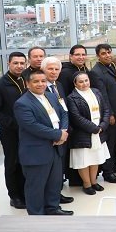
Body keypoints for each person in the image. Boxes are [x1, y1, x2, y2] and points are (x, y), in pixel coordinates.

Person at [14, 70, 71, 215]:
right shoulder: (22, 103)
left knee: (54, 182)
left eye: (43, 81)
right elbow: (32, 126)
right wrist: (58, 134)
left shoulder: (51, 96)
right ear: (27, 84)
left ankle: (52, 208)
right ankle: (36, 216)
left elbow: (63, 113)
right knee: (36, 186)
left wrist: (63, 132)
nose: (40, 84)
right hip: (37, 152)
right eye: (36, 81)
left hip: (55, 149)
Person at [0, 52, 29, 209]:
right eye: (16, 63)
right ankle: (14, 196)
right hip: (10, 132)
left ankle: (24, 191)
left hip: (27, 131)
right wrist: (12, 123)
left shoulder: (25, 80)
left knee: (24, 162)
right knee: (12, 163)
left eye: (22, 63)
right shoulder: (0, 85)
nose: (19, 66)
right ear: (9, 64)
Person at [66, 72, 110, 195]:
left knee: (95, 158)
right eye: (81, 81)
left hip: (98, 132)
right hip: (83, 134)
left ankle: (94, 181)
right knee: (84, 160)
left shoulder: (96, 92)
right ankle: (87, 184)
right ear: (75, 83)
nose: (84, 83)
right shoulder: (72, 98)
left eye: (86, 80)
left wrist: (102, 126)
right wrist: (93, 128)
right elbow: (76, 117)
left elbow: (106, 109)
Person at [91, 44, 116, 183]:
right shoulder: (96, 72)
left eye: (109, 52)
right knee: (110, 144)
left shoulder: (112, 66)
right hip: (111, 114)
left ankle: (114, 165)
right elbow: (102, 96)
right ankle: (108, 172)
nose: (107, 55)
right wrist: (109, 114)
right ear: (98, 56)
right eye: (104, 53)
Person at [41, 57, 75, 203]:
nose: (54, 72)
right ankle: (49, 197)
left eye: (56, 69)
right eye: (50, 69)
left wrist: (64, 130)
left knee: (59, 167)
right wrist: (56, 133)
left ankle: (57, 193)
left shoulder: (58, 85)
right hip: (48, 135)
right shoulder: (40, 88)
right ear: (43, 70)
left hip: (63, 132)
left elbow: (64, 110)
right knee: (48, 169)